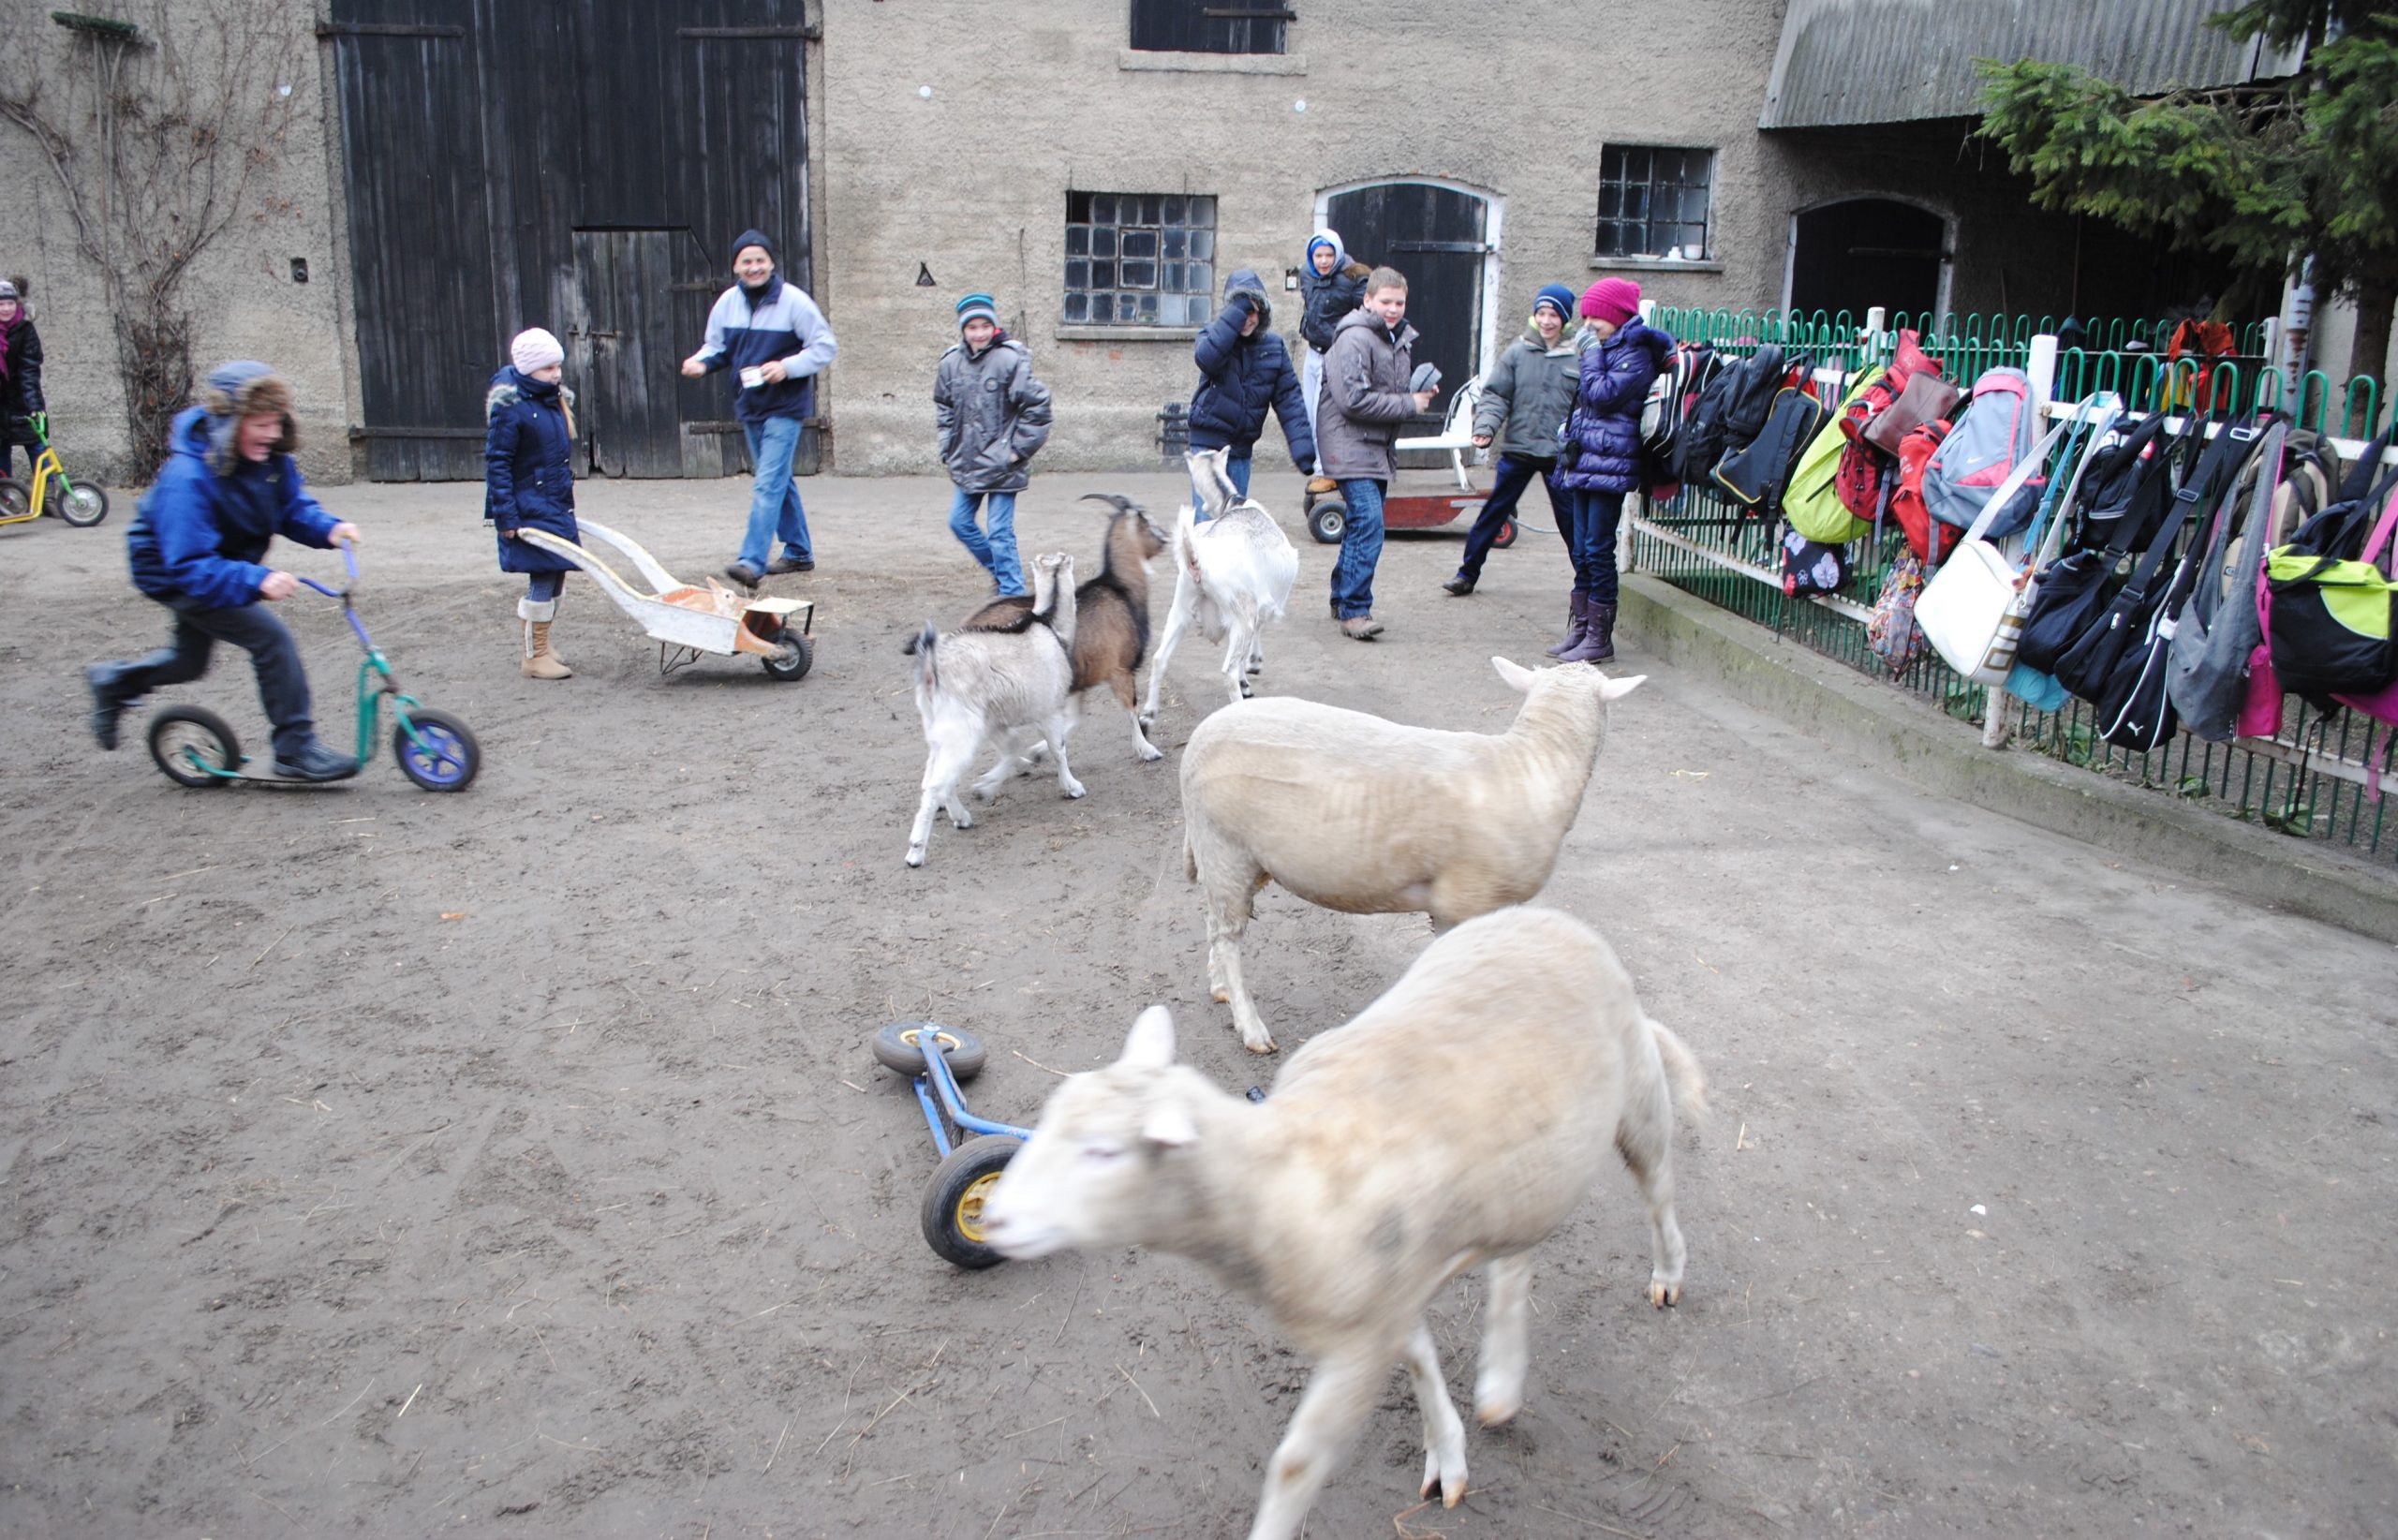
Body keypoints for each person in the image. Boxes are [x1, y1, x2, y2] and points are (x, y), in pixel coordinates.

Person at [84, 362, 364, 779]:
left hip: (218, 562)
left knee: (188, 662)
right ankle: (295, 749)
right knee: (271, 639)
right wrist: (256, 580)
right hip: (175, 572)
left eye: (276, 423)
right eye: (260, 423)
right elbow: (191, 564)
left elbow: (290, 507)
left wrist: (329, 528)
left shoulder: (268, 461)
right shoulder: (189, 476)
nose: (271, 434)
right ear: (229, 422)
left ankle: (114, 681)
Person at [680, 229, 836, 588]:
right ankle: (798, 552)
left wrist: (788, 367)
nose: (754, 267)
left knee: (767, 483)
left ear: (771, 263)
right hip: (750, 404)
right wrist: (700, 363)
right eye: (746, 261)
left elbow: (825, 346)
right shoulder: (726, 304)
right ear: (736, 266)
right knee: (778, 479)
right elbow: (716, 347)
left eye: (760, 260)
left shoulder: (794, 302)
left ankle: (751, 562)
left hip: (786, 405)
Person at [1552, 278, 1674, 664]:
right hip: (1588, 459)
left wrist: (1589, 357)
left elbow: (1602, 396)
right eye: (1585, 316)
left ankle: (1600, 638)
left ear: (1616, 316)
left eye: (1595, 317)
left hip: (1613, 463)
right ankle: (1581, 629)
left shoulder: (1634, 353)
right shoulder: (1608, 348)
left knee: (1597, 549)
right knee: (1582, 549)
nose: (1588, 325)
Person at [1315, 266, 1435, 641]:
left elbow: (1386, 392)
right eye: (1385, 301)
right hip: (1349, 444)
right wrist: (1409, 404)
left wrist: (1418, 393)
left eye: (1399, 302)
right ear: (1368, 300)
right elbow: (1353, 401)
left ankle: (1341, 596)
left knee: (1360, 524)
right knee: (1370, 524)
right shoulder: (1354, 339)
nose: (1393, 308)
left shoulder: (1395, 340)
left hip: (1373, 447)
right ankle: (1354, 611)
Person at [1444, 283, 1585, 600]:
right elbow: (1496, 394)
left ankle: (1587, 582)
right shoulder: (1518, 351)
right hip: (1519, 449)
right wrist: (1487, 428)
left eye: (1554, 315)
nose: (1547, 320)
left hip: (1558, 455)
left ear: (1565, 319)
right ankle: (1466, 574)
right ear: (1535, 316)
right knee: (1494, 512)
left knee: (1572, 521)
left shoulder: (1579, 355)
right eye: (1541, 313)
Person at [934, 292, 1053, 598]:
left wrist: (1016, 451)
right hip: (966, 461)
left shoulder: (1010, 360)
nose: (979, 333)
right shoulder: (951, 364)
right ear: (963, 330)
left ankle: (1013, 597)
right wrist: (947, 446)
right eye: (972, 327)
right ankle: (1002, 574)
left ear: (993, 326)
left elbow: (1038, 408)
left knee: (1000, 533)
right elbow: (944, 407)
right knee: (959, 523)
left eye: (984, 326)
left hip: (1003, 466)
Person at [486, 328, 580, 680]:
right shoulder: (511, 407)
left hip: (552, 502)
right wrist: (505, 515)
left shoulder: (548, 398)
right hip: (528, 505)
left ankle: (542, 643)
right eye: (547, 368)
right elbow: (497, 462)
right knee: (542, 574)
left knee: (556, 573)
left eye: (558, 367)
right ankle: (533, 655)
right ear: (528, 370)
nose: (555, 374)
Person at [1186, 267, 1314, 514]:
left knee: (1234, 523)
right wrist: (1237, 312)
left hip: (1241, 449)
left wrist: (1303, 451)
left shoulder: (1273, 346)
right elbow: (1206, 358)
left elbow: (1289, 400)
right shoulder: (1212, 336)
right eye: (1240, 311)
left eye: (1253, 311)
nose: (1247, 319)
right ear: (1230, 312)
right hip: (1207, 446)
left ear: (1263, 313)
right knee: (1207, 523)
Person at [1295, 230, 1369, 493]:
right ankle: (1321, 468)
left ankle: (1330, 471)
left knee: (1327, 414)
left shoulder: (1355, 276)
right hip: (1312, 352)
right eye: (1318, 255)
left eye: (1328, 255)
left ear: (1337, 253)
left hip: (1336, 355)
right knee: (1310, 412)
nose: (1323, 261)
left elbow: (1367, 313)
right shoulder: (1307, 274)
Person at [0, 277, 44, 484]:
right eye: (1, 304)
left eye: (10, 303)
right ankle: (6, 496)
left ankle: (48, 496)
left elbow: (29, 369)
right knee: (1, 449)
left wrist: (34, 404)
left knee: (37, 445)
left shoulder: (25, 328)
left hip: (22, 397)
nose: (6, 308)